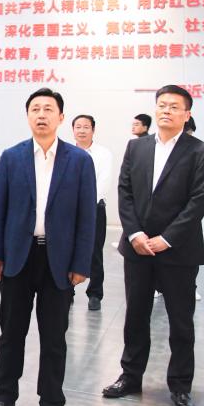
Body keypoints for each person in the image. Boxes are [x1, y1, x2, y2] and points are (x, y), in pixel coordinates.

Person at [0, 88, 96, 406]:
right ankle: (4, 398)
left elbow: (87, 217)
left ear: (61, 117)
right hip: (19, 256)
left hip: (58, 261)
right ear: (28, 115)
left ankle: (50, 405)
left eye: (48, 109)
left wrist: (82, 263)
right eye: (35, 109)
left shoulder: (79, 161)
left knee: (54, 337)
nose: (41, 114)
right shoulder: (11, 157)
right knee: (11, 332)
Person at [102, 85, 204, 406]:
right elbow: (125, 192)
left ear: (187, 114)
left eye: (174, 106)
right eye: (162, 105)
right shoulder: (136, 147)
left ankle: (180, 385)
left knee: (181, 321)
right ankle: (130, 376)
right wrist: (135, 233)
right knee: (135, 315)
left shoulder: (200, 151)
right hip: (138, 249)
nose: (166, 110)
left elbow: (198, 201)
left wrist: (166, 239)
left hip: (178, 251)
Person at [71, 114, 112, 311]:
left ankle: (95, 293)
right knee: (66, 249)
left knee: (94, 252)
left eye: (86, 127)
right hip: (68, 209)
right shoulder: (65, 151)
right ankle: (67, 290)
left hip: (94, 209)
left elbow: (103, 182)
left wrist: (84, 204)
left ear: (93, 130)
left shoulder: (103, 154)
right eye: (78, 127)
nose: (81, 130)